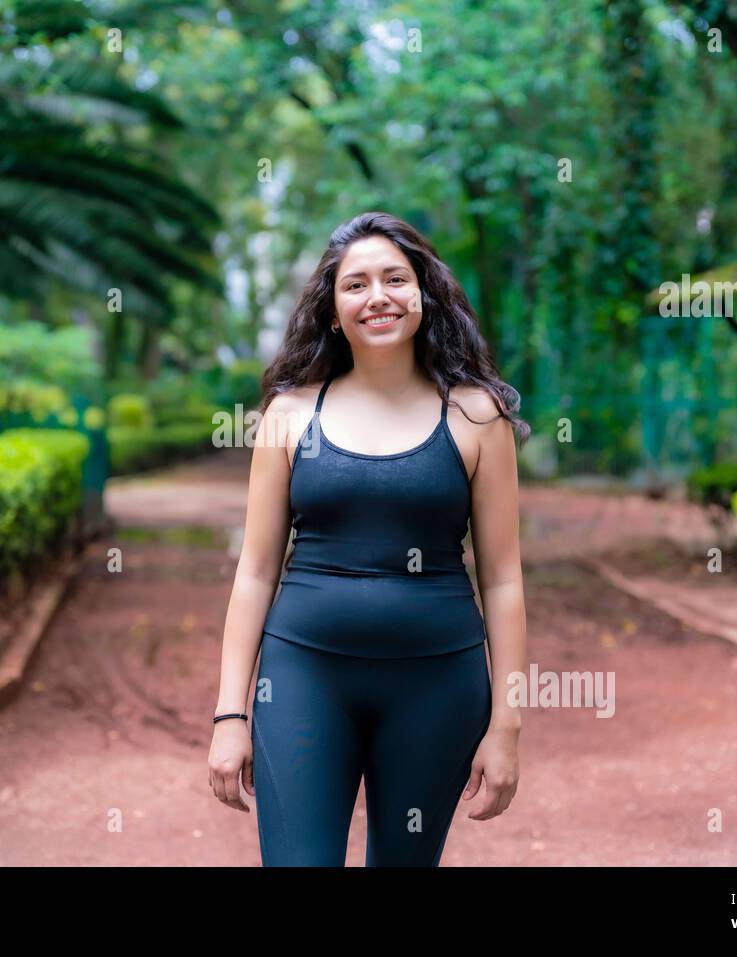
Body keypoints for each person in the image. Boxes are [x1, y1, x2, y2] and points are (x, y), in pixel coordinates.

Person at [208, 211, 531, 866]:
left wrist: (507, 724)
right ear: (332, 309)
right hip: (303, 677)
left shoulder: (477, 416)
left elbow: (502, 580)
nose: (377, 296)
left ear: (423, 295)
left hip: (438, 687)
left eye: (395, 278)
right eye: (355, 284)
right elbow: (255, 572)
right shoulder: (289, 415)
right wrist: (229, 715)